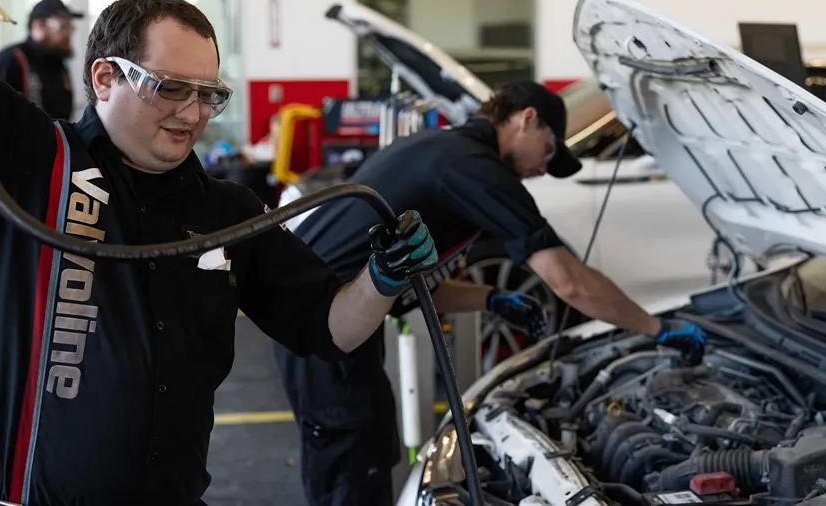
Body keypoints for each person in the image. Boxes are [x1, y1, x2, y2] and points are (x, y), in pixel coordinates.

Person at [0, 0, 440, 506]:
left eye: (207, 94)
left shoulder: (228, 213)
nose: (191, 113)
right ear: (105, 78)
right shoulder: (30, 159)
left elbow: (331, 329)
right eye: (169, 88)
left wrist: (382, 278)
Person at [275, 80, 708, 506]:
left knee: (361, 454)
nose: (543, 169)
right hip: (327, 329)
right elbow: (569, 281)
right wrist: (655, 326)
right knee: (352, 467)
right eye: (550, 151)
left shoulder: (441, 148)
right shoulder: (475, 168)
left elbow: (419, 287)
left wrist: (491, 299)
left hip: (325, 320)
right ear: (526, 119)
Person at [0, 0, 83, 120]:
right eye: (63, 27)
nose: (68, 34)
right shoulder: (11, 59)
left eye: (70, 27)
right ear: (38, 26)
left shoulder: (59, 65)